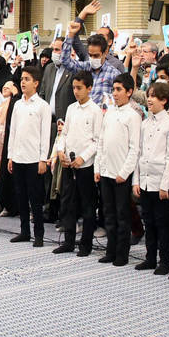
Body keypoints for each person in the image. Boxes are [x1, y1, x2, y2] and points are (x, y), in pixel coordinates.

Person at [134, 81, 169, 274]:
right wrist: (136, 180)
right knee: (149, 221)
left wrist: (165, 184)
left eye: (153, 96)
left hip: (161, 183)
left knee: (163, 224)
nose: (149, 100)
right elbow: (139, 153)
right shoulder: (145, 124)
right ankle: (150, 257)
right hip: (145, 180)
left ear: (164, 100)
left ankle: (165, 262)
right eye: (149, 96)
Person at [95, 73, 140, 266]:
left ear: (129, 92)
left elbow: (135, 148)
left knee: (122, 215)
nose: (115, 93)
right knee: (109, 213)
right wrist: (98, 167)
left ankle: (122, 253)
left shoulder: (133, 116)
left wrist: (124, 172)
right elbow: (101, 141)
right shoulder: (110, 113)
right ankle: (110, 250)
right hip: (106, 171)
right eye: (113, 89)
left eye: (119, 89)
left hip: (121, 174)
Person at [54, 71, 100, 256]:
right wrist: (60, 151)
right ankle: (69, 241)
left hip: (85, 165)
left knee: (87, 206)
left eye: (79, 88)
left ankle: (86, 244)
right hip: (69, 163)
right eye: (74, 88)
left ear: (89, 88)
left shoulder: (95, 111)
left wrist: (83, 157)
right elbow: (64, 134)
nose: (76, 91)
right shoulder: (71, 108)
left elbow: (97, 141)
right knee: (68, 204)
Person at [6, 65, 51, 246]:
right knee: (21, 196)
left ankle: (39, 234)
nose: (23, 82)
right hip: (18, 157)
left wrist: (43, 159)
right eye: (22, 79)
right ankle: (24, 231)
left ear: (36, 83)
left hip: (34, 159)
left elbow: (45, 135)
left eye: (27, 79)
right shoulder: (17, 104)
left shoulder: (43, 106)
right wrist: (10, 155)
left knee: (35, 198)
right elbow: (13, 131)